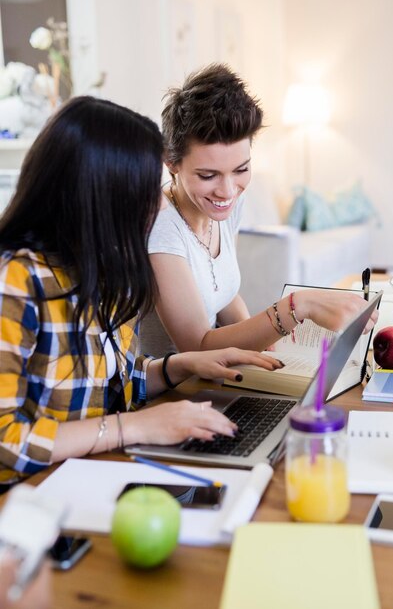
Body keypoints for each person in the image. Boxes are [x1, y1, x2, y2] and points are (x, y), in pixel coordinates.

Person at [0, 96, 281, 488]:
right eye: (147, 191)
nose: (160, 206)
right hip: (30, 495)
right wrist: (132, 427)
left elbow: (119, 381)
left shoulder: (108, 269)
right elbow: (6, 442)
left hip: (94, 471)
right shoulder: (15, 281)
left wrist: (181, 365)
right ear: (101, 196)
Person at [141, 64, 377, 356]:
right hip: (178, 394)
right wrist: (297, 307)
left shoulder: (224, 210)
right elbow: (197, 346)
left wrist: (266, 347)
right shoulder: (161, 228)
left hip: (222, 377)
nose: (227, 191)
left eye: (241, 169)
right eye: (208, 176)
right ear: (171, 162)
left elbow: (225, 298)